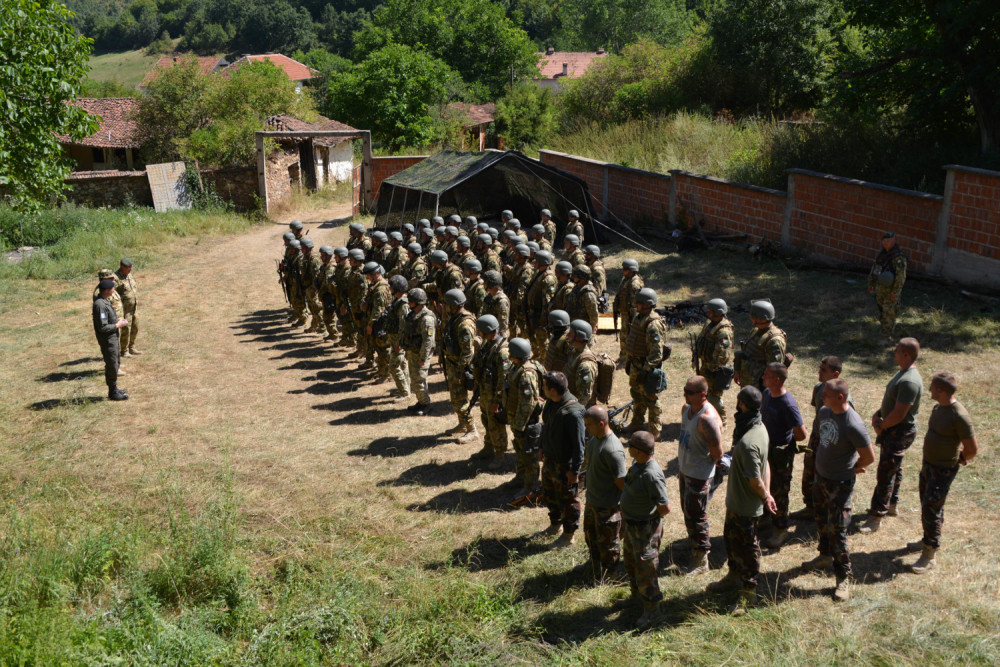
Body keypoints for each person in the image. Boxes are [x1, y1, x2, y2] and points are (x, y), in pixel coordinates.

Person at [801, 378, 875, 603]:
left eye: (826, 394)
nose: (822, 398)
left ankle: (843, 577)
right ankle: (824, 556)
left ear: (840, 397)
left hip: (839, 485)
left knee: (838, 530)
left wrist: (853, 468)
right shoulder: (825, 412)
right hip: (821, 479)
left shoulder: (853, 424)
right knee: (821, 520)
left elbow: (869, 456)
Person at [707, 387, 777, 614]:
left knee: (748, 549)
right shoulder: (759, 427)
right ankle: (733, 576)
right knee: (732, 540)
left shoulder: (748, 442)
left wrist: (765, 495)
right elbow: (766, 463)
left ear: (743, 405)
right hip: (737, 502)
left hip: (746, 506)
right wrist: (767, 492)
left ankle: (749, 594)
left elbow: (755, 478)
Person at [906, 372, 978, 574]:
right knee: (927, 503)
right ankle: (927, 538)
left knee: (932, 508)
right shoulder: (939, 407)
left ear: (941, 390)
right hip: (929, 464)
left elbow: (972, 448)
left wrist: (962, 458)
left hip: (943, 469)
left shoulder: (959, 415)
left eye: (932, 387)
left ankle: (930, 555)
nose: (929, 390)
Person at [860, 337, 923, 534]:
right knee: (894, 468)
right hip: (893, 428)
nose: (893, 352)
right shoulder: (903, 373)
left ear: (906, 355)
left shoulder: (909, 381)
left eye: (897, 350)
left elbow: (900, 413)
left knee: (886, 473)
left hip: (898, 430)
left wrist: (882, 426)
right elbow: (892, 402)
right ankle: (892, 505)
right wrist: (878, 414)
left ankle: (876, 516)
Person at [620, 430, 670, 627]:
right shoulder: (638, 464)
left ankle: (652, 610)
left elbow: (664, 507)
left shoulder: (652, 474)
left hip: (644, 529)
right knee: (631, 564)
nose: (628, 447)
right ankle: (636, 597)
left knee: (646, 570)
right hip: (632, 526)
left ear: (639, 451)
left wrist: (648, 520)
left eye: (630, 445)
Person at [677, 376, 724, 575]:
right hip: (685, 470)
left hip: (699, 475)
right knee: (687, 511)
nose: (684, 394)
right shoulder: (686, 410)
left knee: (697, 516)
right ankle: (692, 542)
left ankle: (701, 558)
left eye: (689, 391)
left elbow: (718, 453)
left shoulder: (708, 419)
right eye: (685, 389)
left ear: (702, 394)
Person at [536, 371, 586, 548]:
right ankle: (555, 525)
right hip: (550, 460)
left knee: (569, 500)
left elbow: (579, 446)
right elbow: (546, 426)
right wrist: (542, 446)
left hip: (565, 466)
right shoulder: (551, 402)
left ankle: (568, 535)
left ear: (553, 389)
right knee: (550, 495)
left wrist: (575, 471)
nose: (542, 388)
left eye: (544, 386)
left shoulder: (573, 413)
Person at [760, 363, 808, 548]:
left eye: (767, 374)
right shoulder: (766, 393)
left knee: (779, 491)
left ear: (777, 379)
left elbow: (802, 434)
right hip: (766, 449)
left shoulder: (787, 403)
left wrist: (784, 442)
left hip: (780, 454)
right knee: (765, 485)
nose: (763, 376)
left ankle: (780, 529)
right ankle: (766, 518)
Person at [797, 356, 849, 519]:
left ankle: (824, 511)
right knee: (809, 473)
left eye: (823, 370)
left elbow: (844, 425)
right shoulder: (819, 388)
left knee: (824, 479)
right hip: (817, 437)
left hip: (830, 442)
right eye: (819, 368)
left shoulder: (842, 397)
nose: (819, 372)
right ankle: (810, 507)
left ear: (835, 374)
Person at [582, 405, 627, 579]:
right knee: (591, 536)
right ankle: (594, 565)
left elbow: (621, 482)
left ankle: (611, 575)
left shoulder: (613, 449)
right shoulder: (595, 439)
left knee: (609, 544)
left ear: (601, 424)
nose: (586, 428)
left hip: (607, 506)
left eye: (589, 425)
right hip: (593, 501)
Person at [500, 338, 545, 505]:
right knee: (520, 451)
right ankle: (520, 478)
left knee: (529, 455)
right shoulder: (517, 367)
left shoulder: (526, 374)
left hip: (526, 422)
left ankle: (530, 486)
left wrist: (519, 425)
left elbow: (528, 404)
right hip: (518, 419)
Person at [623, 288, 669, 439]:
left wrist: (646, 370)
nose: (636, 305)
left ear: (648, 305)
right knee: (636, 395)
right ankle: (637, 422)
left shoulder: (653, 324)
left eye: (639, 303)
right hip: (636, 364)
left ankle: (654, 430)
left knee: (651, 399)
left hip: (646, 367)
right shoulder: (639, 317)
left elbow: (656, 352)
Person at [471, 315, 510, 469]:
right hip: (485, 392)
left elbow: (503, 380)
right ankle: (488, 448)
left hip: (494, 396)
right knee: (486, 421)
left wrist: (497, 401)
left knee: (496, 426)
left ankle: (500, 456)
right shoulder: (488, 345)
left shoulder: (502, 352)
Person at [441, 289, 478, 442]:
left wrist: (459, 371)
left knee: (459, 399)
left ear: (454, 305)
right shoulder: (456, 317)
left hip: (459, 367)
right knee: (456, 398)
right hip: (453, 364)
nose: (445, 307)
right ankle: (462, 424)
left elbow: (467, 352)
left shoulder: (464, 324)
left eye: (447, 305)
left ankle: (472, 430)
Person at [693, 298, 735, 423]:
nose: (708, 312)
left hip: (715, 370)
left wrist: (712, 369)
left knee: (714, 396)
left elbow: (723, 354)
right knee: (704, 394)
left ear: (718, 312)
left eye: (710, 311)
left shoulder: (724, 331)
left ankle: (722, 421)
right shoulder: (710, 323)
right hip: (706, 365)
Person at [734, 299, 788, 391]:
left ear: (760, 318)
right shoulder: (756, 330)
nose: (750, 318)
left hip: (759, 387)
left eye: (752, 316)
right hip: (749, 381)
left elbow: (775, 370)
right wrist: (738, 370)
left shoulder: (774, 341)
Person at [868, 231, 907, 344]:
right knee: (882, 310)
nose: (886, 243)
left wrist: (895, 292)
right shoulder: (882, 255)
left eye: (888, 241)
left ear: (894, 241)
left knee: (888, 311)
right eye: (884, 241)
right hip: (881, 288)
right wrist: (871, 283)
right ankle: (884, 332)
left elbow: (901, 276)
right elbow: (875, 270)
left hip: (891, 289)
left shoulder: (898, 257)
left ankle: (886, 337)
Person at [93, 278, 129, 400]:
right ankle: (112, 392)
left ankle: (114, 388)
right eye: (112, 288)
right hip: (107, 340)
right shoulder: (100, 305)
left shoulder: (104, 301)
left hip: (112, 338)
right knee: (112, 365)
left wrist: (117, 321)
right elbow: (102, 327)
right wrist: (117, 325)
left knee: (116, 362)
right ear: (107, 290)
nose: (114, 290)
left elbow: (107, 320)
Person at [401, 288, 435, 415]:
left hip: (421, 353)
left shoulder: (427, 319)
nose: (409, 304)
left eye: (411, 301)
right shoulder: (414, 314)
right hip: (413, 351)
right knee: (414, 378)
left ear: (419, 303)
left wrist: (423, 358)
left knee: (419, 379)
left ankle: (426, 404)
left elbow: (428, 341)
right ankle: (421, 401)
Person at [523, 251, 557, 358]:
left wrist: (543, 322)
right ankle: (537, 356)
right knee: (533, 338)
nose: (534, 262)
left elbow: (547, 303)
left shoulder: (548, 278)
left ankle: (544, 360)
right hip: (533, 313)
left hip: (540, 316)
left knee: (542, 342)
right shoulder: (539, 273)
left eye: (537, 261)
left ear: (542, 262)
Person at [613, 259, 644, 365]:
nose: (623, 271)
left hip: (630, 315)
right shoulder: (626, 279)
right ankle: (623, 356)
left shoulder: (634, 283)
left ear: (631, 270)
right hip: (625, 313)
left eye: (625, 269)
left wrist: (633, 317)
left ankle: (626, 359)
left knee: (627, 337)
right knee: (623, 336)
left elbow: (636, 302)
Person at [385, 275, 411, 400]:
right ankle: (405, 388)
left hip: (398, 340)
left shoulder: (403, 304)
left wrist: (399, 343)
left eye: (391, 287)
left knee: (393, 366)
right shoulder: (397, 300)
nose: (389, 289)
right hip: (396, 338)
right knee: (403, 364)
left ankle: (404, 392)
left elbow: (403, 325)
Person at [564, 320, 598, 407]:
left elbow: (584, 396)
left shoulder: (585, 365)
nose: (567, 335)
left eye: (570, 333)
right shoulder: (574, 352)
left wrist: (573, 410)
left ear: (580, 337)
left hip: (578, 409)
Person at [115, 258, 140, 357]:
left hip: (134, 308)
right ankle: (124, 350)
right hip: (125, 310)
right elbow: (112, 293)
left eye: (131, 267)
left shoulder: (129, 275)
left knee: (135, 327)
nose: (130, 269)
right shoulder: (116, 278)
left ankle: (132, 347)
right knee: (126, 330)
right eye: (128, 267)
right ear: (122, 267)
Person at [481, 270, 510, 338]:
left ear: (490, 284)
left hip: (495, 336)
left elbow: (503, 324)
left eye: (485, 282)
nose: (483, 284)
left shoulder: (502, 301)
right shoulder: (490, 296)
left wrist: (499, 340)